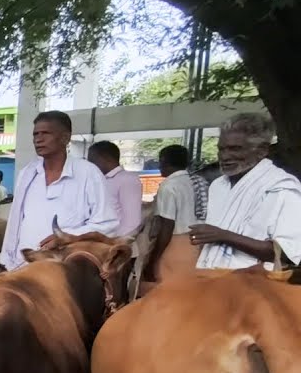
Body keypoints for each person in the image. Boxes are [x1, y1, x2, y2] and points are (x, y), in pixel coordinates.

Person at [0, 110, 119, 270]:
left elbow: (107, 223)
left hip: (66, 269)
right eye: (36, 134)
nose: (38, 139)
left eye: (46, 133)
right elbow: (15, 221)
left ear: (65, 138)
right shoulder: (28, 173)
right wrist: (7, 260)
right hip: (22, 266)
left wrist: (67, 237)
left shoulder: (88, 173)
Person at [192, 113, 301, 270]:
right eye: (221, 149)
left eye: (235, 149)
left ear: (262, 150)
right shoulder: (218, 186)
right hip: (211, 280)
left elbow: (286, 254)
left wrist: (223, 236)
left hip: (256, 287)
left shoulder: (281, 187)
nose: (225, 156)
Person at [140, 144, 202, 283]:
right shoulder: (197, 181)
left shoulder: (169, 186)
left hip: (176, 245)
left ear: (164, 161)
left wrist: (153, 260)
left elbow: (167, 225)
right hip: (197, 244)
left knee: (169, 288)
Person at [87, 140, 144, 237]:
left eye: (92, 161)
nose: (90, 165)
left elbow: (132, 221)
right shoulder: (100, 179)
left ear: (105, 159)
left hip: (116, 242)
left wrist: (117, 243)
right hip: (100, 240)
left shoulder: (127, 179)